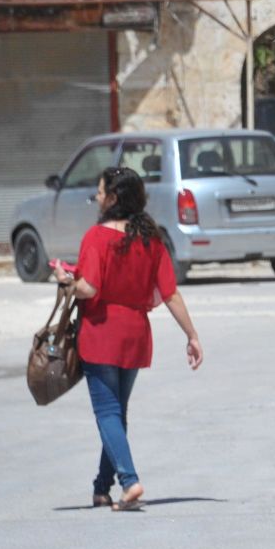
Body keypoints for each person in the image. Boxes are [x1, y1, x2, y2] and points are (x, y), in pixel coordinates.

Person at [55, 165, 203, 511]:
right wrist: (192, 335)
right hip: (135, 334)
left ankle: (130, 481)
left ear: (113, 198)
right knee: (116, 412)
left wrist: (66, 281)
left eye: (101, 192)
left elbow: (89, 288)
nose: (98, 198)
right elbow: (168, 294)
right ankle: (101, 487)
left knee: (107, 412)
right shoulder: (150, 238)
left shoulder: (96, 237)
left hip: (101, 333)